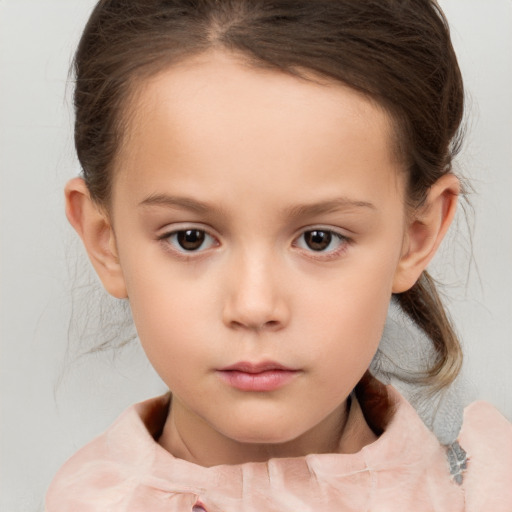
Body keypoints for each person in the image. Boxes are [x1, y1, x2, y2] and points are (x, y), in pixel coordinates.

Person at [45, 0, 511, 510]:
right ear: (104, 239)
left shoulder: (486, 493)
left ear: (417, 235)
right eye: (190, 238)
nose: (254, 306)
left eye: (319, 239)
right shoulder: (82, 500)